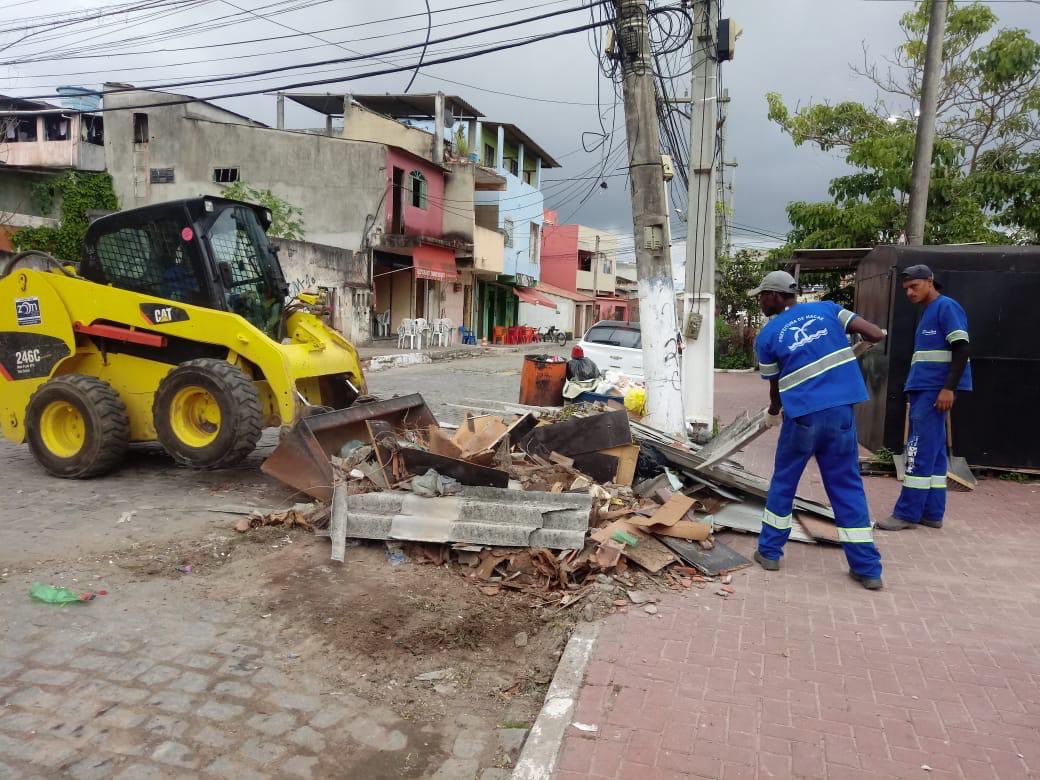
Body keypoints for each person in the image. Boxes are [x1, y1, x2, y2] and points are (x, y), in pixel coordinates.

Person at [750, 270, 887, 590]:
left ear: (774, 295)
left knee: (784, 483)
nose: (760, 302)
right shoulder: (828, 309)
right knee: (847, 486)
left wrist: (773, 413)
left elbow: (775, 386)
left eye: (762, 296)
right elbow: (875, 335)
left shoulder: (768, 336)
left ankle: (769, 553)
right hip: (841, 414)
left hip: (802, 418)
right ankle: (868, 569)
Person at [877, 265, 971, 531]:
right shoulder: (929, 311)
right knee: (935, 454)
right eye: (906, 288)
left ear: (930, 282)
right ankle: (932, 512)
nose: (909, 292)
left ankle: (906, 514)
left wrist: (948, 388)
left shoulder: (946, 307)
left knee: (917, 451)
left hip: (934, 391)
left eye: (914, 286)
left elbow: (962, 348)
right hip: (925, 389)